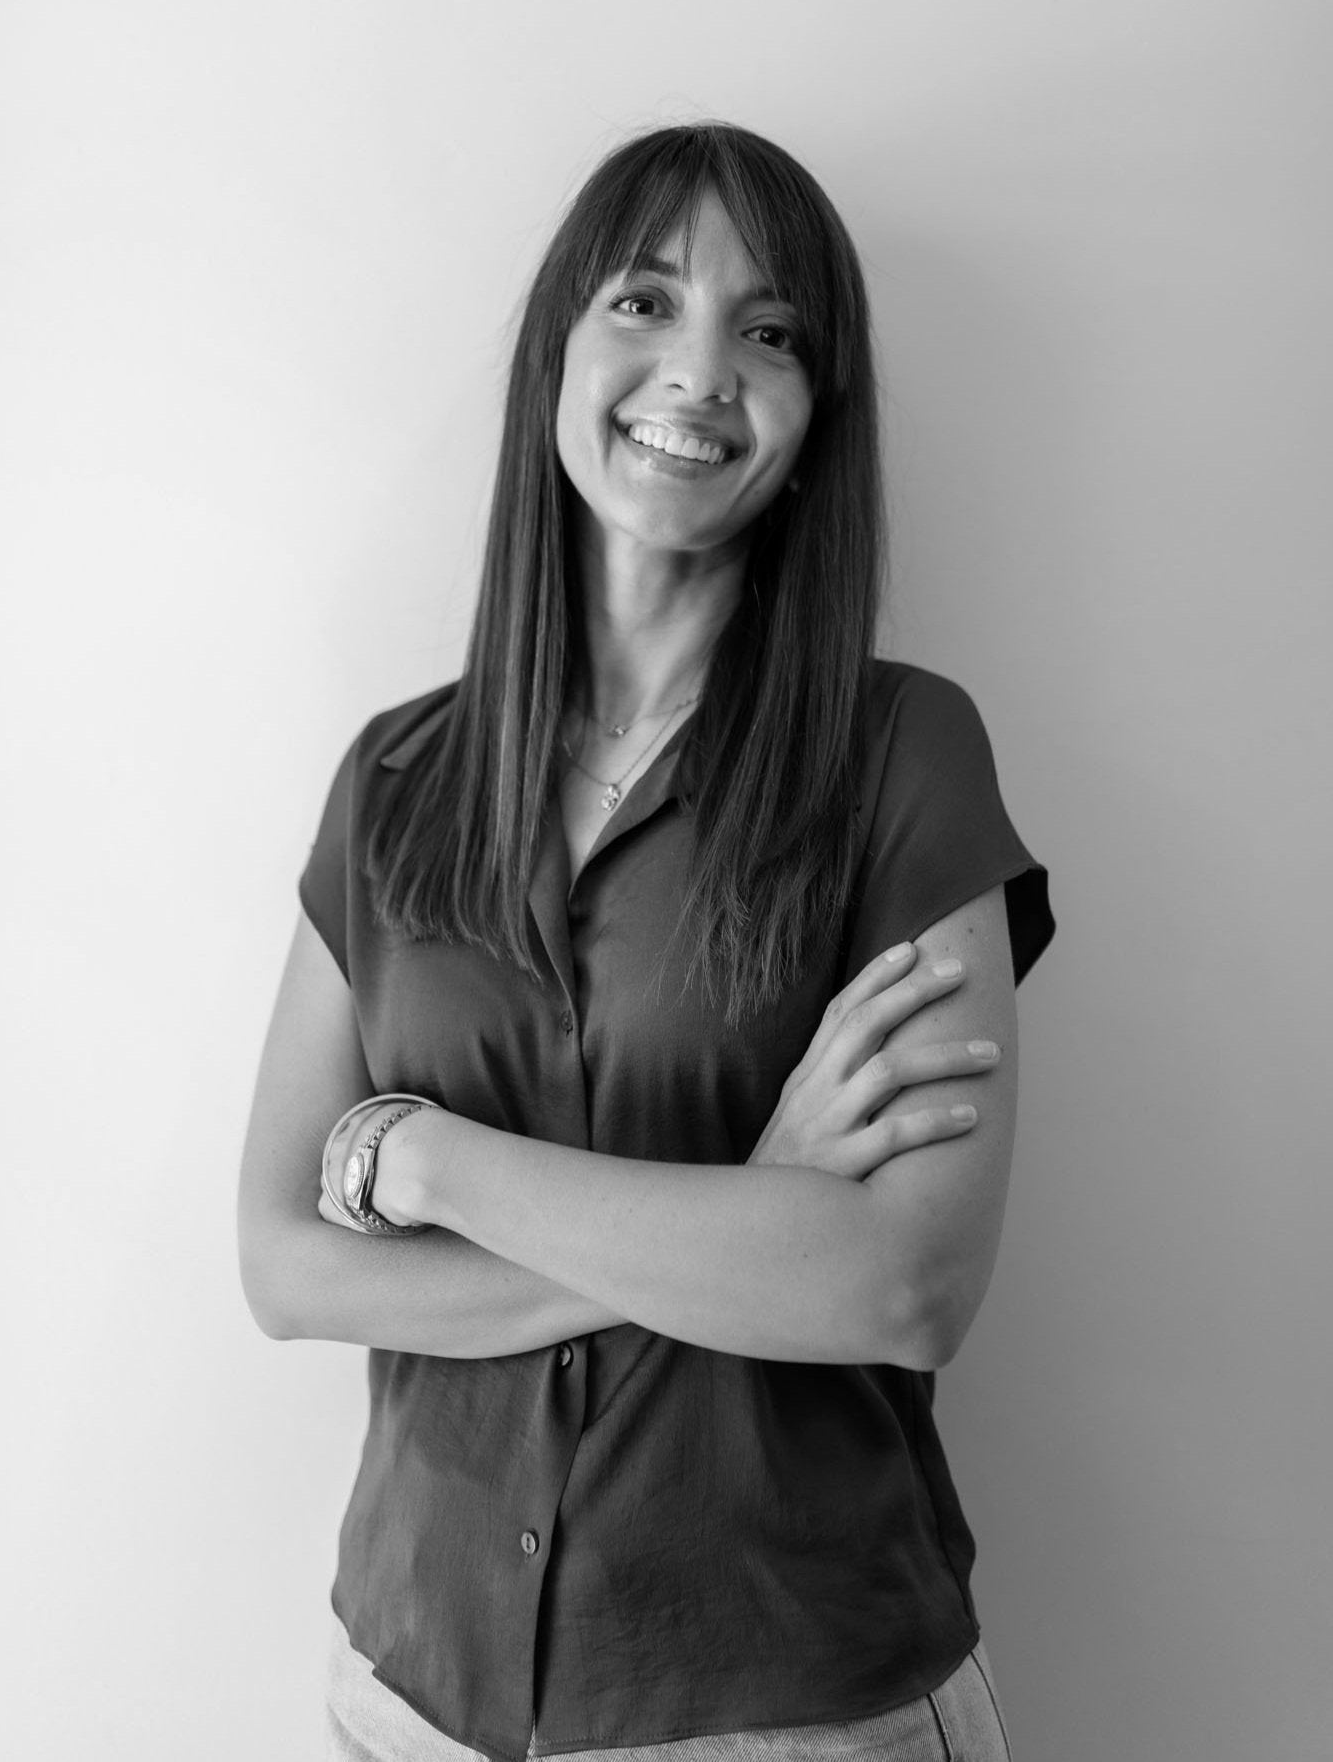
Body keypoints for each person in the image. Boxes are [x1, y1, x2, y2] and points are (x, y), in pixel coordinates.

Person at [238, 121, 1054, 1762]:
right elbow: (285, 1263)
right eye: (645, 299)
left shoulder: (904, 756)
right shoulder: (393, 783)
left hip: (781, 1704)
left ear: (817, 421)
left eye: (770, 332)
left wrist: (424, 1157)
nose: (699, 368)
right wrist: (754, 1197)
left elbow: (902, 1281)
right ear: (558, 354)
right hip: (411, 1686)